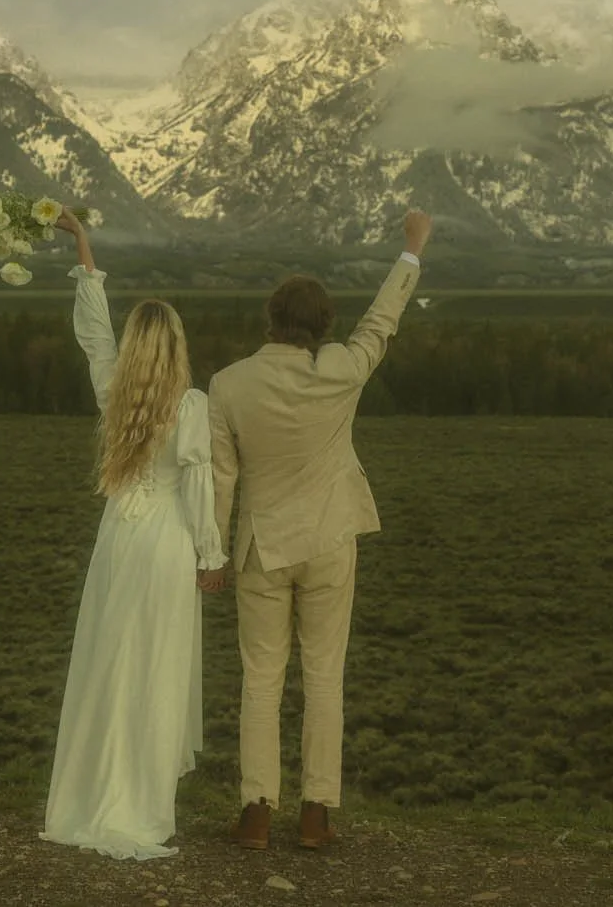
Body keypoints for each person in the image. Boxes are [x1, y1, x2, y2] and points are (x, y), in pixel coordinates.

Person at [207, 208, 432, 851]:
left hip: (260, 549)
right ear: (323, 325)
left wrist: (211, 554)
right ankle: (316, 814)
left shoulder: (228, 386)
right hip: (331, 539)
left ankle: (255, 811)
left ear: (269, 321)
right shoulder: (341, 370)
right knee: (325, 676)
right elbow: (382, 322)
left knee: (260, 680)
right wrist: (412, 249)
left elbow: (222, 479)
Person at [39, 208, 229, 860]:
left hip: (118, 535)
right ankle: (142, 802)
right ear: (176, 346)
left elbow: (93, 335)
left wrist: (86, 254)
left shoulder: (116, 389)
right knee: (156, 667)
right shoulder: (192, 405)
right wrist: (213, 554)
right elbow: (200, 486)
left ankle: (89, 793)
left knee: (108, 662)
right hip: (171, 541)